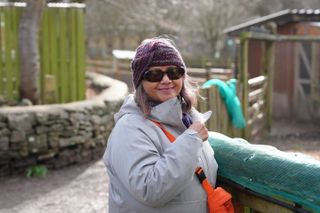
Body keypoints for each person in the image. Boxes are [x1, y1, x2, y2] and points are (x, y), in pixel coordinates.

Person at [103, 37, 218, 212]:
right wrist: (191, 140)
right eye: (155, 74)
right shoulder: (129, 128)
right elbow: (150, 189)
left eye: (174, 72)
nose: (166, 80)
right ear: (140, 81)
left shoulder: (189, 120)